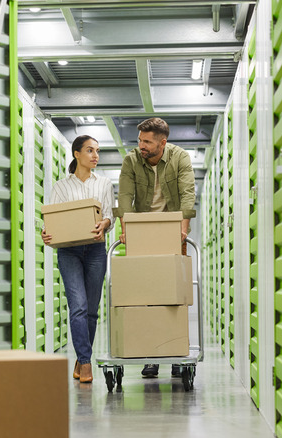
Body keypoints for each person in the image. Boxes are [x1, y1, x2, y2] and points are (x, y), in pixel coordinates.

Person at [116, 117, 196, 378]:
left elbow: (187, 193)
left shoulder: (180, 157)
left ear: (162, 142)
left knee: (175, 298)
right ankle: (151, 355)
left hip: (173, 230)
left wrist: (183, 228)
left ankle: (174, 353)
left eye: (147, 141)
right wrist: (125, 228)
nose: (141, 145)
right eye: (140, 140)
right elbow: (125, 196)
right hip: (142, 232)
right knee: (145, 297)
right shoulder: (131, 161)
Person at [42, 135, 115, 383]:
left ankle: (81, 357)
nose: (95, 155)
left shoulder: (104, 183)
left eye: (97, 151)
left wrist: (105, 223)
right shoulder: (61, 187)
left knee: (92, 312)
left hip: (95, 250)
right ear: (76, 154)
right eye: (90, 150)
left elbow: (108, 216)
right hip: (69, 252)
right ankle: (85, 363)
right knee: (79, 307)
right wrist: (46, 233)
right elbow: (52, 220)